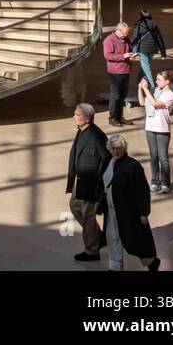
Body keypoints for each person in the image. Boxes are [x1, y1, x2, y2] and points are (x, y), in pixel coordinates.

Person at [100, 135, 161, 271]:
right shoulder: (106, 162)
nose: (116, 151)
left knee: (133, 241)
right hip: (110, 210)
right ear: (109, 148)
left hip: (127, 212)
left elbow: (142, 191)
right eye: (113, 148)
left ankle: (151, 261)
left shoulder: (133, 166)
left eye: (119, 148)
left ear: (124, 148)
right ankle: (115, 267)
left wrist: (143, 213)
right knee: (113, 236)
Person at [67, 103, 110, 262]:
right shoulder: (82, 131)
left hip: (91, 182)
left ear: (86, 118)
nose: (73, 117)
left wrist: (99, 182)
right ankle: (97, 237)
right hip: (81, 179)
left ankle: (92, 251)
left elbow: (106, 158)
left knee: (88, 214)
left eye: (77, 115)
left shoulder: (96, 135)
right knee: (75, 206)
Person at [139, 71, 173, 194]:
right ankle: (155, 181)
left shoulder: (170, 95)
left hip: (162, 129)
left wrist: (145, 89)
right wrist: (140, 89)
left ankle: (165, 182)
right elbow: (142, 102)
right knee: (153, 156)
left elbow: (155, 103)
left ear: (167, 82)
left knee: (163, 158)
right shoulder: (155, 92)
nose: (156, 81)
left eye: (159, 79)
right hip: (150, 127)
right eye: (156, 79)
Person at [103, 21, 134, 126]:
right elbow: (108, 56)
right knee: (115, 96)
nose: (126, 35)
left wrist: (131, 56)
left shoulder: (126, 39)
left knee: (122, 95)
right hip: (115, 72)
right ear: (118, 30)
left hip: (126, 70)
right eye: (124, 33)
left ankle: (119, 117)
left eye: (127, 33)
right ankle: (112, 118)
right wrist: (123, 56)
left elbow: (129, 49)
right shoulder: (109, 40)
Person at [131, 9, 166, 88]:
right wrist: (163, 52)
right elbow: (159, 39)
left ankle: (152, 87)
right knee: (145, 66)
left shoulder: (140, 25)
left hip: (143, 49)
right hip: (153, 50)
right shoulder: (155, 25)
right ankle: (139, 81)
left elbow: (134, 38)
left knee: (146, 68)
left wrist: (129, 46)